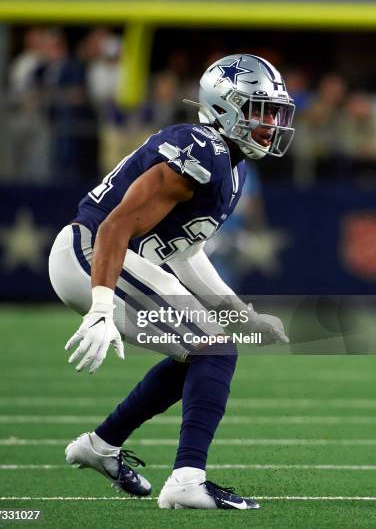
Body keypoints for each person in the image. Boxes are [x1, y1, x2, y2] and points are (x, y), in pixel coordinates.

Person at [48, 54, 295, 510]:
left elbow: (185, 253)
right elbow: (114, 227)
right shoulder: (201, 148)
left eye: (275, 112)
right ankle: (186, 481)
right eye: (259, 110)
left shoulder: (232, 165)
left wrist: (242, 314)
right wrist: (102, 307)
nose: (270, 124)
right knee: (214, 347)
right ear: (225, 107)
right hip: (91, 254)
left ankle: (101, 446)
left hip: (104, 257)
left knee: (200, 351)